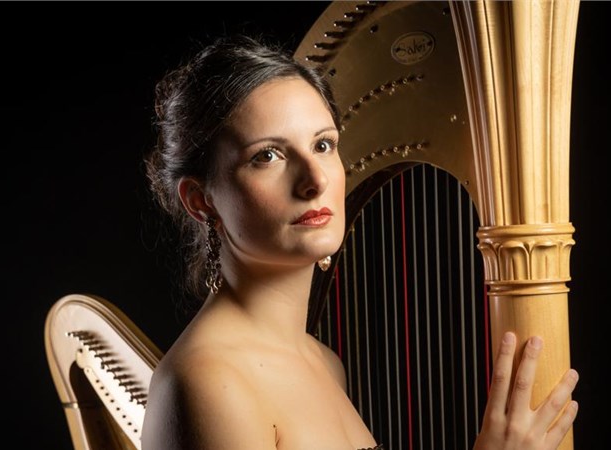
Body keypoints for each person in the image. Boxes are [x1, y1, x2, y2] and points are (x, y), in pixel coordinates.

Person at [140, 34, 579, 450]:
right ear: (201, 200)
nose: (315, 180)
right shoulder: (207, 381)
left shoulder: (324, 362)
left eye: (323, 145)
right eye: (267, 156)